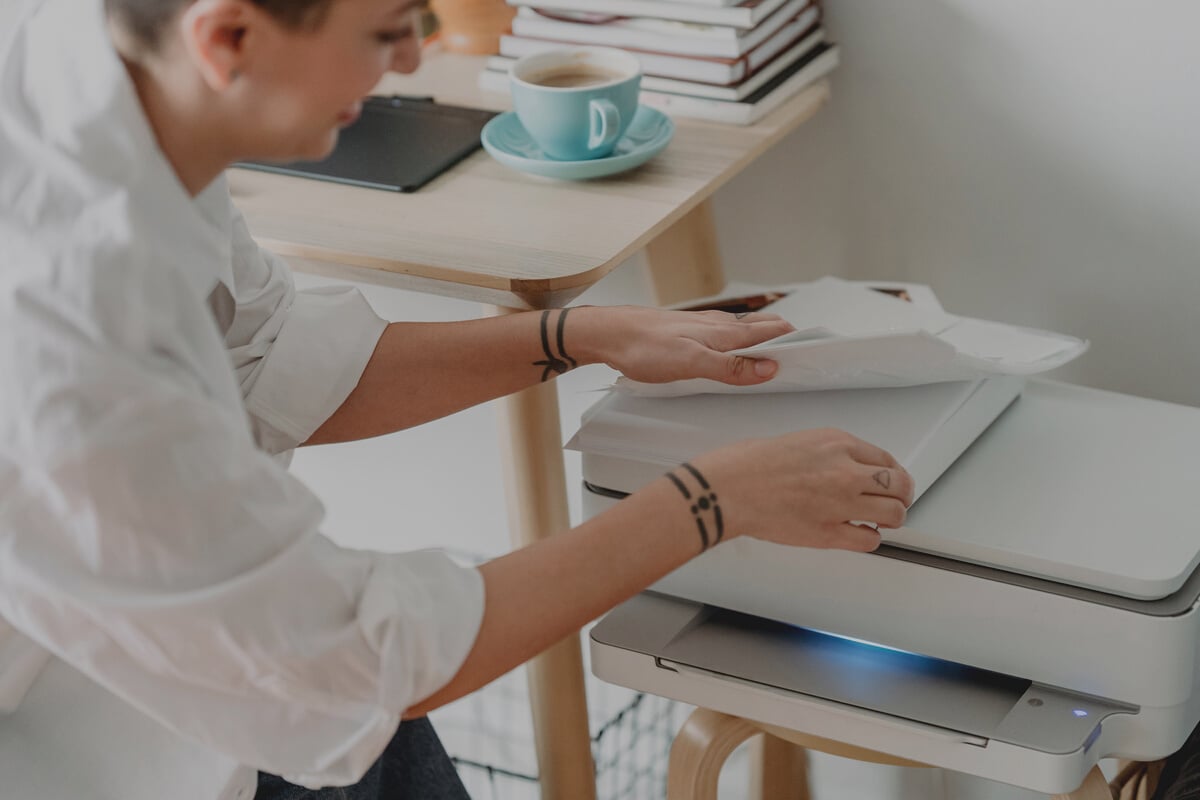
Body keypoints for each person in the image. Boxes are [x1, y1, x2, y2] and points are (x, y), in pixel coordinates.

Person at [0, 0, 915, 798]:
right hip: (96, 738)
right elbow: (354, 664)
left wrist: (581, 335)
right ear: (229, 37)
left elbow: (267, 362)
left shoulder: (119, 74)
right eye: (389, 30)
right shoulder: (69, 330)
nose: (410, 61)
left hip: (250, 671)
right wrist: (710, 501)